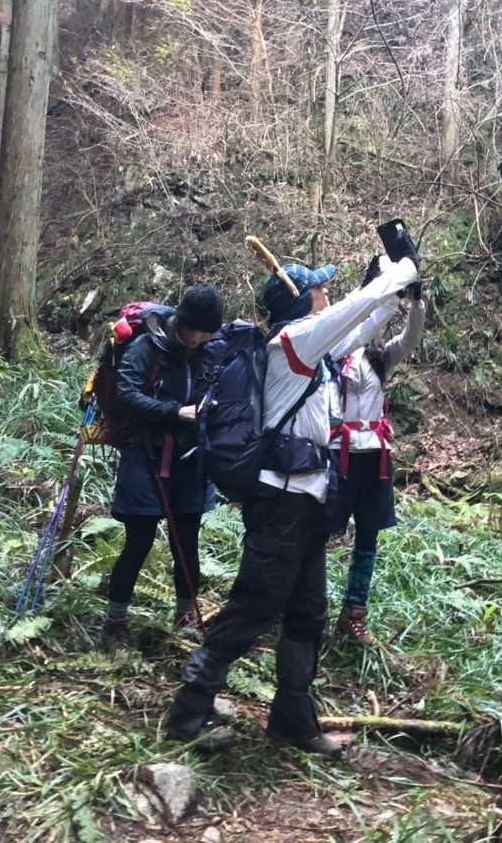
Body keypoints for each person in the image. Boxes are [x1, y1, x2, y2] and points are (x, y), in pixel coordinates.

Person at [165, 248, 421, 757]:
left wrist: (398, 297)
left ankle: (292, 721)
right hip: (281, 504)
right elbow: (352, 310)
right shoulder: (292, 344)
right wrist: (399, 272)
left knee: (307, 612)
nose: (327, 293)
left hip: (306, 504)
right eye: (319, 288)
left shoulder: (313, 351)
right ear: (302, 300)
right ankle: (188, 710)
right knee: (253, 607)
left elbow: (362, 327)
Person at [100, 285, 224, 655]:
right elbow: (126, 393)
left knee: (186, 542)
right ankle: (115, 623)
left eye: (209, 334)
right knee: (138, 541)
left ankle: (185, 618)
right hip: (145, 454)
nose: (203, 340)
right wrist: (174, 412)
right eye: (200, 332)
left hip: (190, 459)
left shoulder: (206, 353)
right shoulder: (146, 347)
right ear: (185, 324)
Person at [327, 257, 425, 645]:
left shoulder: (378, 358)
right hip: (338, 454)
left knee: (368, 538)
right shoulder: (333, 347)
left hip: (375, 458)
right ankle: (302, 603)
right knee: (320, 531)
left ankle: (353, 613)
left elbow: (410, 338)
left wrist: (416, 301)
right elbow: (357, 311)